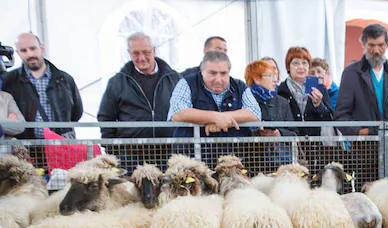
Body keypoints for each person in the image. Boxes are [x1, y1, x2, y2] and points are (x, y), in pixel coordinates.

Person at [334, 23, 388, 182]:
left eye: (381, 45)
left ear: (387, 45)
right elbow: (341, 115)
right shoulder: (351, 73)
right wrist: (359, 131)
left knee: (387, 196)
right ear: (363, 44)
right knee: (364, 195)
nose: (376, 50)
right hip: (363, 150)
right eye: (371, 45)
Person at [97, 32, 180, 173]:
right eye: (135, 53)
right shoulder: (117, 82)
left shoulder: (174, 79)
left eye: (146, 52)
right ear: (129, 53)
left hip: (169, 155)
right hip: (131, 159)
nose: (141, 58)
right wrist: (115, 152)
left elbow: (186, 111)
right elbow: (106, 118)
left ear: (154, 51)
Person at [168, 50, 261, 164]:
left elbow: (255, 113)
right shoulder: (186, 83)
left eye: (223, 73)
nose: (218, 79)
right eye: (212, 73)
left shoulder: (240, 86)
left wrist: (223, 118)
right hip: (192, 164)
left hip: (233, 164)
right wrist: (215, 117)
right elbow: (178, 113)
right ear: (202, 71)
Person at [2, 33, 82, 141]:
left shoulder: (65, 79)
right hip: (26, 147)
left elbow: (77, 112)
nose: (30, 54)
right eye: (24, 51)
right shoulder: (9, 80)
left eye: (33, 48)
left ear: (42, 48)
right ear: (18, 53)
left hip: (60, 145)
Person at [245, 59, 297, 173]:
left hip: (282, 163)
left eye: (275, 75)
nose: (275, 79)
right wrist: (257, 131)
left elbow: (293, 131)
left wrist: (279, 133)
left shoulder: (282, 102)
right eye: (269, 75)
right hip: (254, 165)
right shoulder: (246, 100)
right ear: (256, 78)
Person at [276, 46, 333, 135]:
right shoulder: (281, 89)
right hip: (292, 144)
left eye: (304, 63)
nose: (301, 67)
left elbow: (329, 119)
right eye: (296, 63)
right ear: (288, 67)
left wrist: (319, 105)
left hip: (315, 145)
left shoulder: (319, 87)